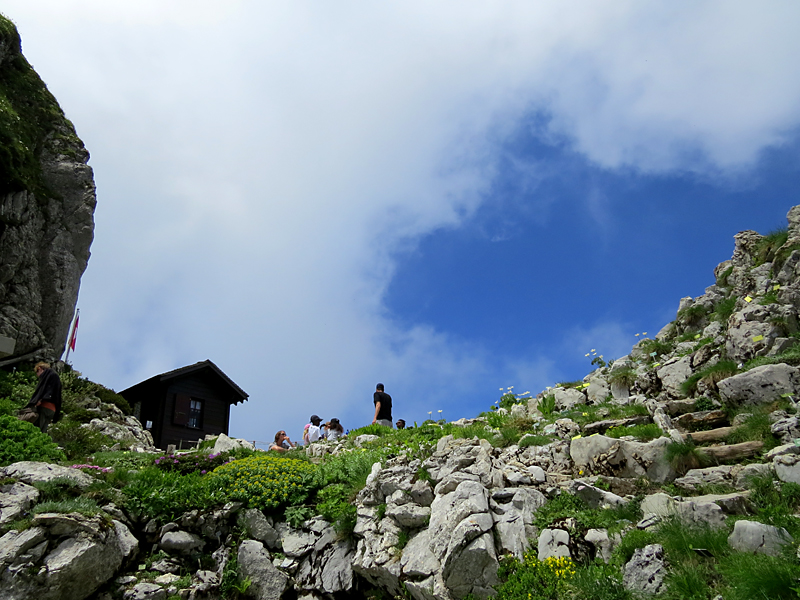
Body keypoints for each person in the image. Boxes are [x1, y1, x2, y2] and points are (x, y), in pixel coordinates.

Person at [27, 362, 62, 433]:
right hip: (52, 409)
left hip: (44, 406)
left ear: (40, 369)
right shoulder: (55, 376)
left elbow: (47, 390)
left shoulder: (48, 376)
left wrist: (40, 400)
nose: (37, 375)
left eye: (37, 372)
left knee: (36, 429)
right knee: (43, 430)